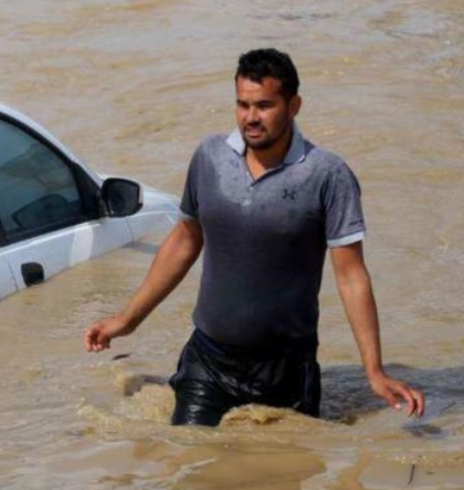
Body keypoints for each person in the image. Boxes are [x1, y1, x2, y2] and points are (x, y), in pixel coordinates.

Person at [84, 48, 424, 426]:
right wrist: (129, 319)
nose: (251, 118)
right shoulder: (210, 158)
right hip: (208, 362)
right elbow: (185, 239)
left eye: (264, 105)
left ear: (294, 105)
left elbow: (351, 275)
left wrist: (373, 370)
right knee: (187, 464)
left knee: (282, 479)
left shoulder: (327, 175)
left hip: (285, 370)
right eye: (243, 105)